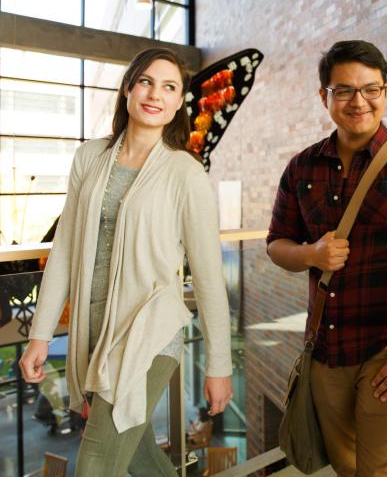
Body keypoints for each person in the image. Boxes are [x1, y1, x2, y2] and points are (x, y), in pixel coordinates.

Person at [19, 48, 233, 476]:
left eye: (169, 87)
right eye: (147, 82)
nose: (156, 94)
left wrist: (219, 366)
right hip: (91, 330)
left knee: (95, 465)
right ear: (128, 88)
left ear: (178, 104)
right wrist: (40, 334)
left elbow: (209, 278)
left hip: (148, 333)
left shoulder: (185, 174)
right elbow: (63, 251)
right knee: (137, 456)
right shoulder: (90, 157)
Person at [267, 40, 387, 476]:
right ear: (324, 96)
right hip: (326, 351)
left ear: (385, 92)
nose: (359, 102)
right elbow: (277, 243)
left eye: (371, 89)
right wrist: (311, 253)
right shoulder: (302, 167)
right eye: (344, 90)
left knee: (380, 472)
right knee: (347, 468)